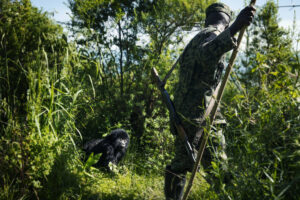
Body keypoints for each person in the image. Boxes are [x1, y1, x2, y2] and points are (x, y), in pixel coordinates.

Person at [164, 3, 256, 200]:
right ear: (226, 20)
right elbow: (206, 54)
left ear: (208, 18)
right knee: (219, 170)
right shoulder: (213, 34)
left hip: (184, 115)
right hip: (202, 118)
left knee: (180, 165)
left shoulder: (197, 37)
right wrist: (235, 28)